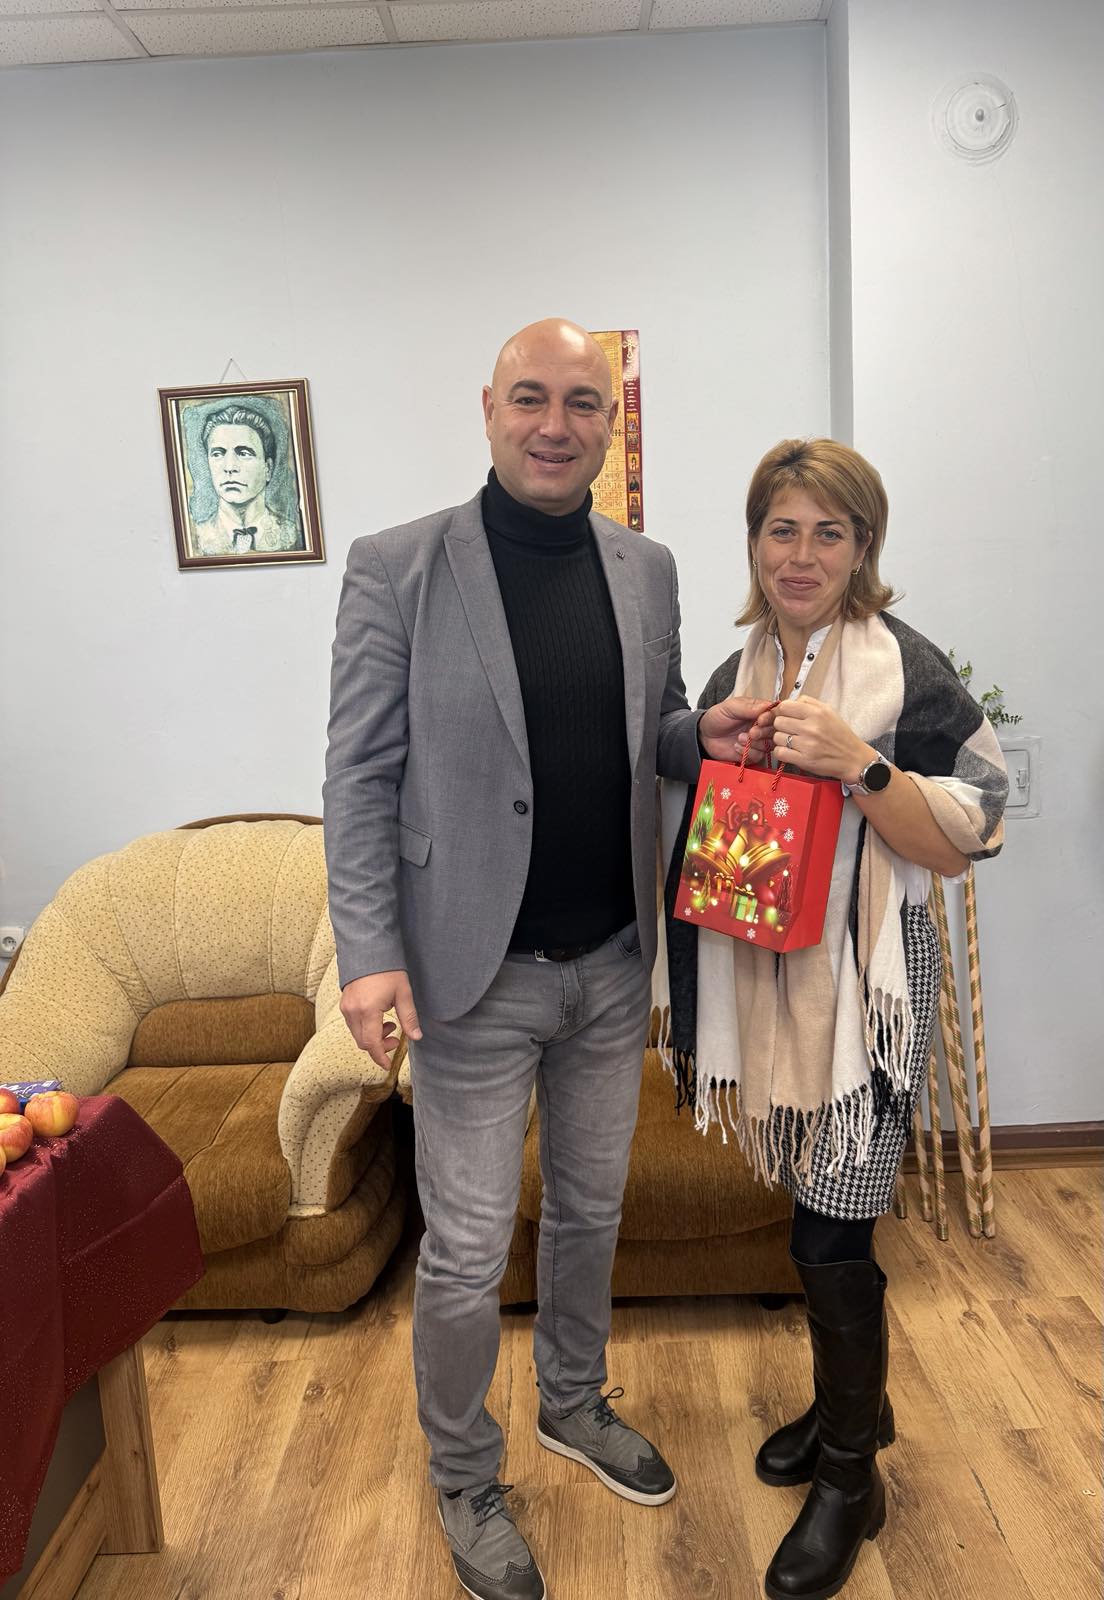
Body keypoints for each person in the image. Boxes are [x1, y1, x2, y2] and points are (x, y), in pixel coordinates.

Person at [323, 318, 773, 1600]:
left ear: (610, 423)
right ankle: (464, 1471)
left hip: (613, 961)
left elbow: (652, 726)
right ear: (489, 407)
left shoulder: (647, 566)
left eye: (583, 402)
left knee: (591, 1210)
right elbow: (357, 775)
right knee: (466, 1250)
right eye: (532, 397)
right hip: (470, 975)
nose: (555, 424)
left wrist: (704, 732)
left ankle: (574, 1401)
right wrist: (368, 953)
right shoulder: (397, 567)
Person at [660, 438, 1008, 1600]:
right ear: (754, 541)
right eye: (782, 529)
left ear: (864, 547)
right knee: (816, 1217)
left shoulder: (907, 667)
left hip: (870, 991)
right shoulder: (738, 671)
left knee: (828, 1237)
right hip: (766, 983)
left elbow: (973, 830)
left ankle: (853, 1476)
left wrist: (861, 764)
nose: (802, 554)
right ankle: (844, 1409)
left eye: (830, 532)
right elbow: (692, 807)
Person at [191, 403, 302, 555]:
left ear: (268, 468)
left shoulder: (293, 537)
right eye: (218, 454)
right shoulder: (196, 538)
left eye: (244, 453)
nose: (230, 467)